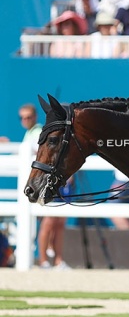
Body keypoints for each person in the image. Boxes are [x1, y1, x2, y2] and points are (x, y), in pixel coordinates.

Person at [18, 104, 70, 269]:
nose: (25, 120)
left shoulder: (40, 131)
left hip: (49, 178)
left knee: (58, 221)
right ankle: (44, 260)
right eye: (22, 118)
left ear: (35, 117)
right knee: (49, 222)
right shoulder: (31, 133)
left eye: (28, 117)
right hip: (43, 180)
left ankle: (57, 260)